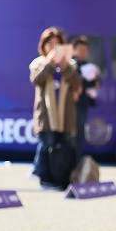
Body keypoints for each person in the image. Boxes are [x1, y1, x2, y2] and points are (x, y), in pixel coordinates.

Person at [29, 28, 82, 189]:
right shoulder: (38, 63)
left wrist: (64, 65)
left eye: (57, 45)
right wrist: (50, 63)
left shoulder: (71, 65)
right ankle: (43, 177)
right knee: (47, 144)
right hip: (46, 114)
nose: (53, 48)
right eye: (49, 44)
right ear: (43, 46)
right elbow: (37, 80)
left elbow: (76, 84)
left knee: (64, 145)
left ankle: (60, 179)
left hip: (65, 114)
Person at [69, 35, 101, 159]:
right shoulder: (69, 64)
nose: (83, 53)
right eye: (80, 50)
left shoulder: (89, 65)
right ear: (74, 49)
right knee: (71, 133)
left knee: (79, 133)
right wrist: (90, 83)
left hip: (83, 103)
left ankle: (77, 161)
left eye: (85, 50)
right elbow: (77, 83)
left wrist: (93, 83)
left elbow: (98, 81)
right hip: (70, 104)